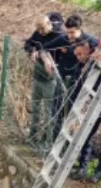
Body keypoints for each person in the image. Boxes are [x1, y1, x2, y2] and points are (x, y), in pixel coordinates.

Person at [68, 37, 101, 183]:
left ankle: (100, 171)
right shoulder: (82, 66)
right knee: (87, 131)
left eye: (80, 54)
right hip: (95, 98)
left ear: (88, 50)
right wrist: (74, 116)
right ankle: (82, 167)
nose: (78, 58)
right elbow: (77, 90)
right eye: (76, 55)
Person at [23, 15, 65, 149]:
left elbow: (64, 54)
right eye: (38, 29)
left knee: (49, 113)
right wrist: (32, 50)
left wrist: (52, 63)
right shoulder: (38, 33)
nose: (40, 32)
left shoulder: (59, 35)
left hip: (51, 79)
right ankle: (33, 136)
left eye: (42, 28)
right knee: (35, 108)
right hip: (38, 75)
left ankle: (46, 141)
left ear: (49, 24)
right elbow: (28, 43)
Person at [51, 14, 95, 138]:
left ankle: (67, 144)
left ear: (80, 29)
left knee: (72, 115)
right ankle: (54, 142)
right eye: (68, 32)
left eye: (72, 32)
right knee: (56, 111)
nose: (69, 35)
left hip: (77, 83)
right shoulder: (63, 39)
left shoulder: (90, 41)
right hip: (62, 79)